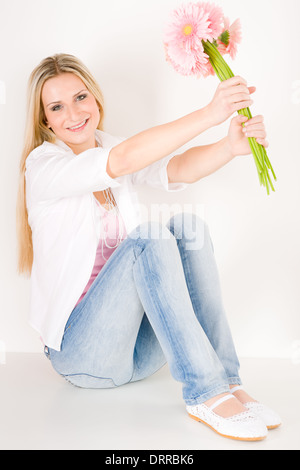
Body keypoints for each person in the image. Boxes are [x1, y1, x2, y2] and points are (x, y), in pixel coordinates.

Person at [16, 53, 281, 442]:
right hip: (82, 356)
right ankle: (204, 392)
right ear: (46, 121)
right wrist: (210, 113)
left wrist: (229, 146)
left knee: (186, 226)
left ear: (97, 100)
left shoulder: (108, 144)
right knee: (148, 238)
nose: (73, 113)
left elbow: (175, 168)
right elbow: (121, 161)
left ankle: (226, 379)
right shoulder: (44, 165)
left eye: (80, 98)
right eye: (56, 106)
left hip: (136, 357)